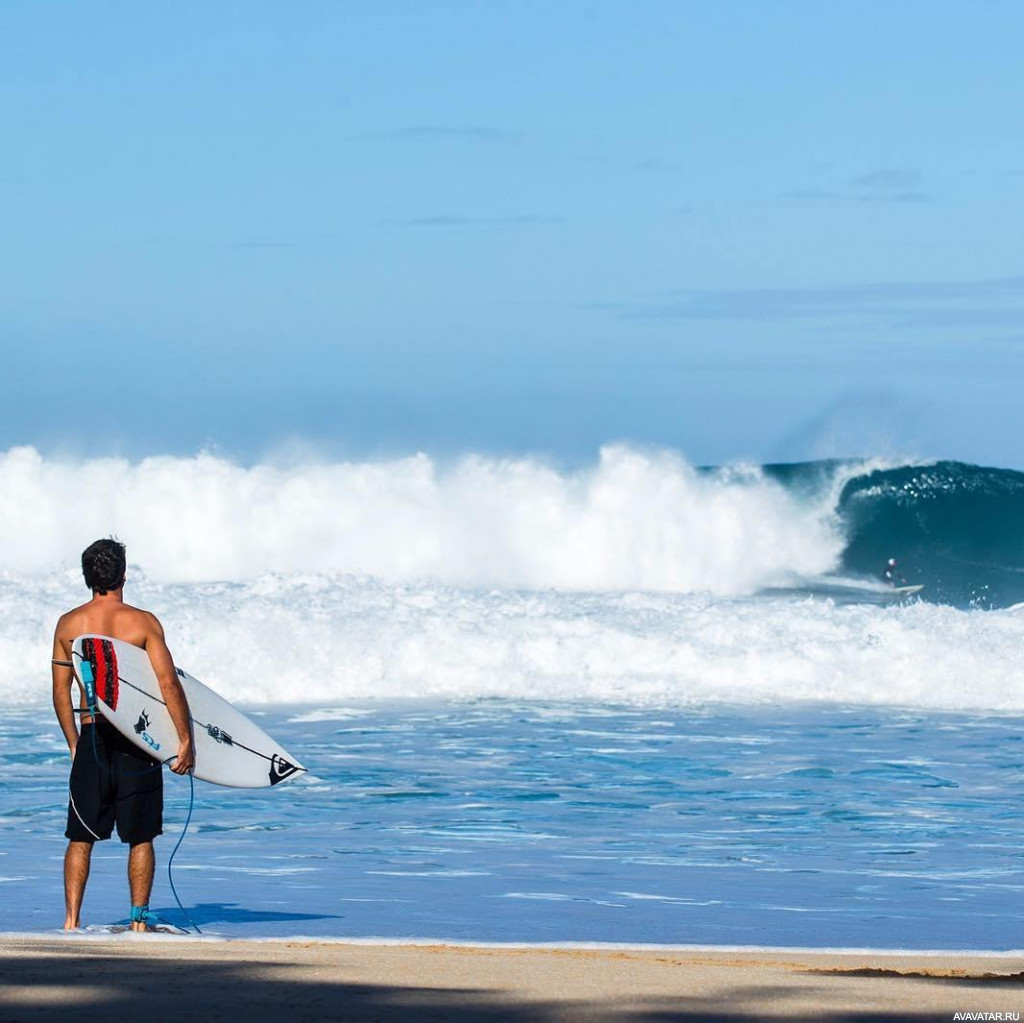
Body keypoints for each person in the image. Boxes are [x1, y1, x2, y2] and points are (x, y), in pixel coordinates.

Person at [52, 538, 194, 931]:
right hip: (137, 739)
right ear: (124, 574)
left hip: (93, 734)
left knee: (81, 836)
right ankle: (138, 924)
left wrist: (73, 743)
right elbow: (168, 684)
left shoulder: (69, 624)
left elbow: (60, 690)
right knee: (141, 835)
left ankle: (70, 922)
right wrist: (185, 740)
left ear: (87, 578)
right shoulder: (143, 623)